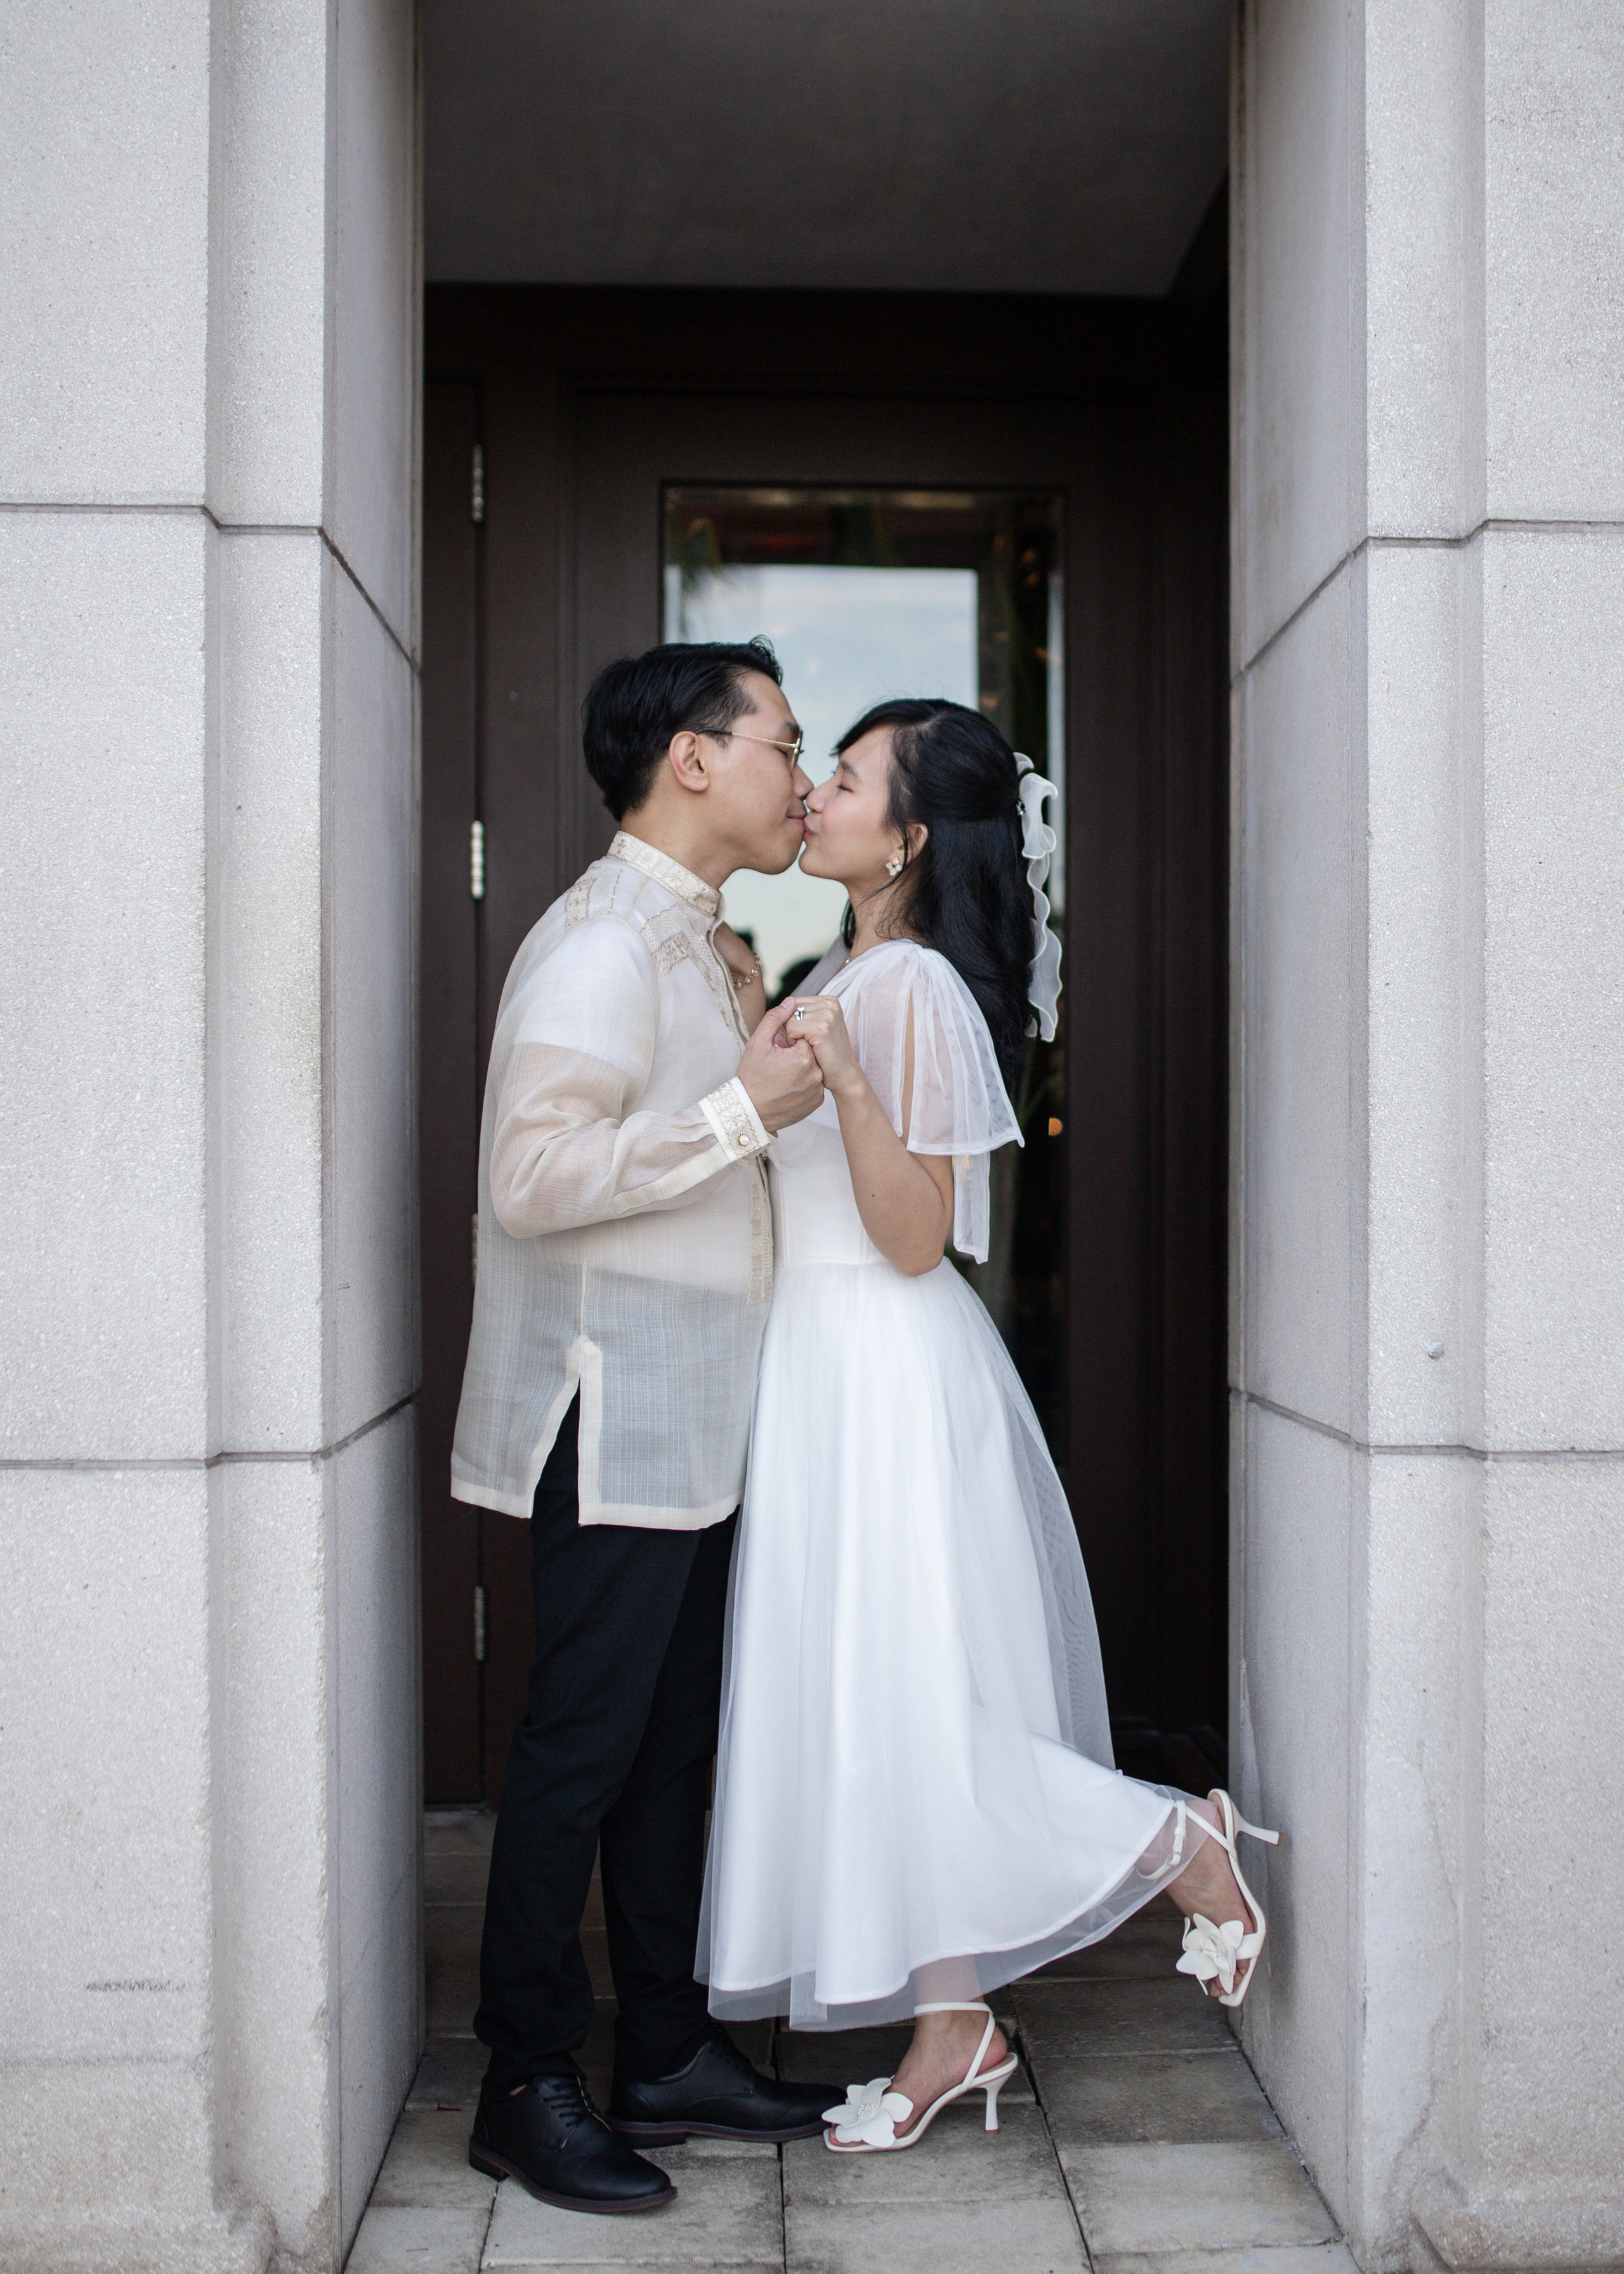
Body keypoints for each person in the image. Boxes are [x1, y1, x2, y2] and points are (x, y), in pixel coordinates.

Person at [699, 698, 1280, 2153]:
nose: (815, 793)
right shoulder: (850, 967)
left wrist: (828, 1070)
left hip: (885, 1366)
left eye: (844, 777)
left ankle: (1171, 1840)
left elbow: (916, 1236)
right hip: (822, 1366)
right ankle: (951, 2022)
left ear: (906, 836)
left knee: (912, 1703)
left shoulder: (914, 996)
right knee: (876, 1708)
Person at [451, 640, 841, 2214]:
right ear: (691, 756)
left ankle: (665, 2050)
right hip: (609, 1412)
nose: (801, 779)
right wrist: (745, 1110)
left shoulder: (702, 935)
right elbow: (532, 1175)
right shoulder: (600, 938)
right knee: (581, 1752)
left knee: (671, 1748)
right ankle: (522, 2079)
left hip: (694, 1417)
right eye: (781, 743)